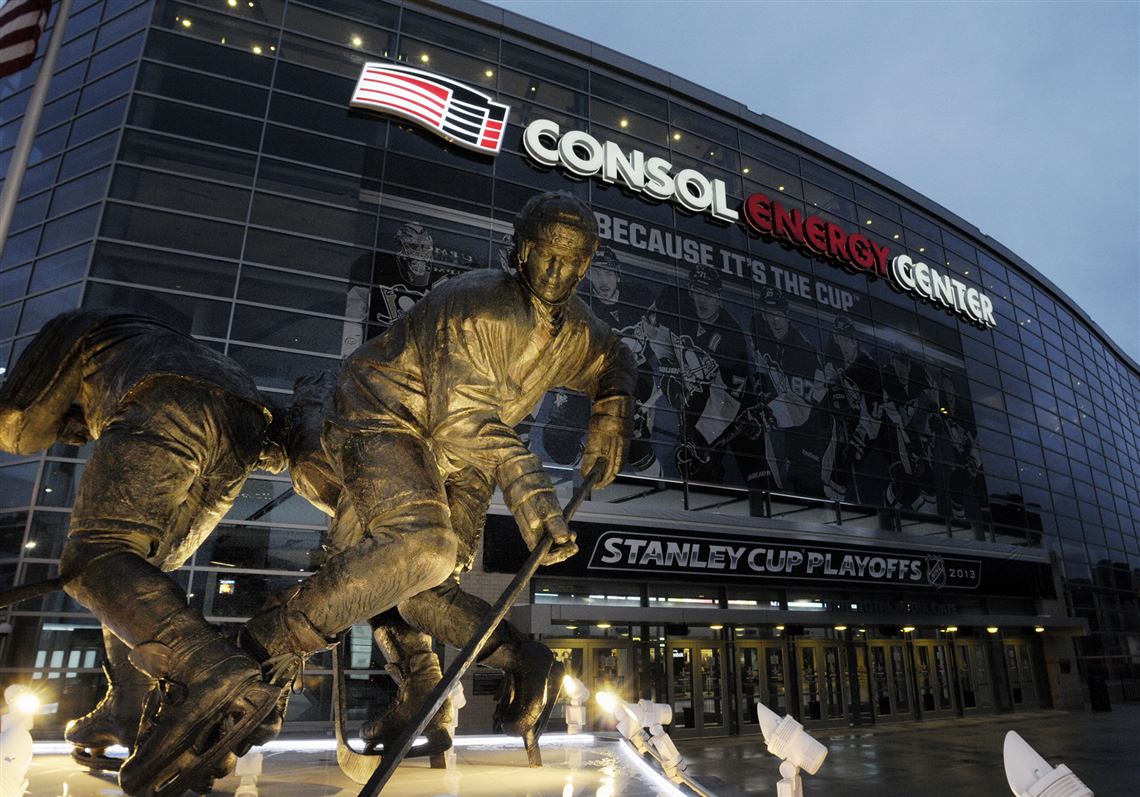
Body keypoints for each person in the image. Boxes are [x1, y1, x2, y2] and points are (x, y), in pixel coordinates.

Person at [234, 191, 636, 759]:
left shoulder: (572, 329)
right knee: (396, 560)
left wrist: (611, 414)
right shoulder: (476, 302)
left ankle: (506, 662)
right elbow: (459, 415)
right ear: (520, 250)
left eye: (574, 260)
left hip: (466, 451)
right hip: (391, 417)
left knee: (428, 575)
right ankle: (269, 657)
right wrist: (533, 495)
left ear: (587, 263)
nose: (557, 270)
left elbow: (616, 355)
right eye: (546, 253)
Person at [0, 309, 288, 796]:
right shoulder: (166, 345)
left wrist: (80, 422)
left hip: (166, 399)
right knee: (135, 574)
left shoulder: (83, 327)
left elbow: (19, 426)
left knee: (96, 559)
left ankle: (214, 674)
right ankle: (128, 708)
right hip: (244, 417)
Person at [642, 265, 755, 484]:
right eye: (697, 291)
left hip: (721, 406)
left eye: (709, 293)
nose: (702, 299)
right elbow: (653, 332)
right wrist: (668, 369)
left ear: (718, 297)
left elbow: (731, 399)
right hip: (690, 393)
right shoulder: (673, 300)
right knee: (679, 466)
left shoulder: (732, 337)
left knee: (703, 469)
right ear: (690, 291)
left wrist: (702, 437)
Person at [750, 286, 820, 493]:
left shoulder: (803, 351)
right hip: (780, 400)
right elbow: (760, 362)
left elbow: (801, 408)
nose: (775, 320)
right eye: (770, 313)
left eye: (779, 313)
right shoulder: (757, 325)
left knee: (803, 481)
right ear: (763, 314)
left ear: (788, 315)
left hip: (808, 416)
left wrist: (770, 412)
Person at [815, 315, 883, 503]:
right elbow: (821, 387)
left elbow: (874, 417)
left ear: (854, 340)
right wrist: (834, 393)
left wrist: (859, 438)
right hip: (842, 421)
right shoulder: (831, 355)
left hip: (867, 426)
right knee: (831, 468)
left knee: (850, 463)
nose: (843, 344)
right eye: (839, 338)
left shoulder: (869, 369)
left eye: (847, 339)